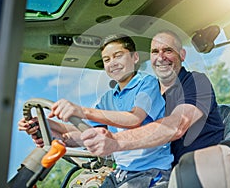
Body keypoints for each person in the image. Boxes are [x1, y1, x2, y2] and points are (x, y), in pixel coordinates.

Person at [18, 34, 173, 188]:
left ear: (135, 57)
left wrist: (82, 111)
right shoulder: (107, 99)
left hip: (150, 172)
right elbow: (83, 130)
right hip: (121, 172)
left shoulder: (147, 83)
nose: (112, 63)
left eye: (118, 56)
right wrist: (45, 124)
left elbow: (134, 119)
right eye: (107, 60)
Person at [80, 30, 225, 167]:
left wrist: (115, 141)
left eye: (168, 50)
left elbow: (177, 126)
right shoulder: (147, 91)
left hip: (202, 169)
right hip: (162, 173)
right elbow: (96, 129)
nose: (161, 57)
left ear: (182, 55)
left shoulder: (196, 82)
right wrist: (61, 132)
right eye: (155, 52)